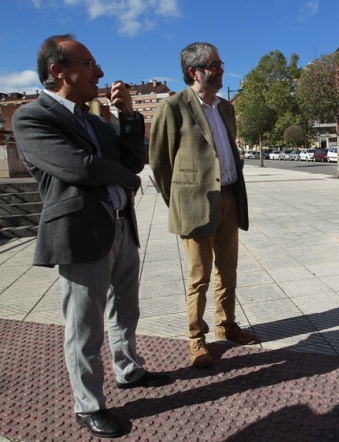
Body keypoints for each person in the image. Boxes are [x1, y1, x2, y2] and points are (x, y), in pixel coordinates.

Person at [12, 35, 171, 439]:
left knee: (126, 311)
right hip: (81, 234)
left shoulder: (98, 120)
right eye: (89, 63)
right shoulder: (32, 117)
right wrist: (129, 179)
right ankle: (88, 405)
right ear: (58, 70)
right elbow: (79, 168)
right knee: (84, 327)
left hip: (121, 226)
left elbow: (134, 157)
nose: (100, 72)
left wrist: (129, 115)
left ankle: (128, 370)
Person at [149, 42, 258, 369]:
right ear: (194, 71)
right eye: (214, 64)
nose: (221, 68)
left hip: (228, 198)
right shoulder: (172, 107)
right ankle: (196, 338)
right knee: (199, 276)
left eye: (221, 62)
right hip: (194, 205)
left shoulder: (225, 108)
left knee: (228, 270)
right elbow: (159, 163)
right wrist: (178, 202)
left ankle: (226, 326)